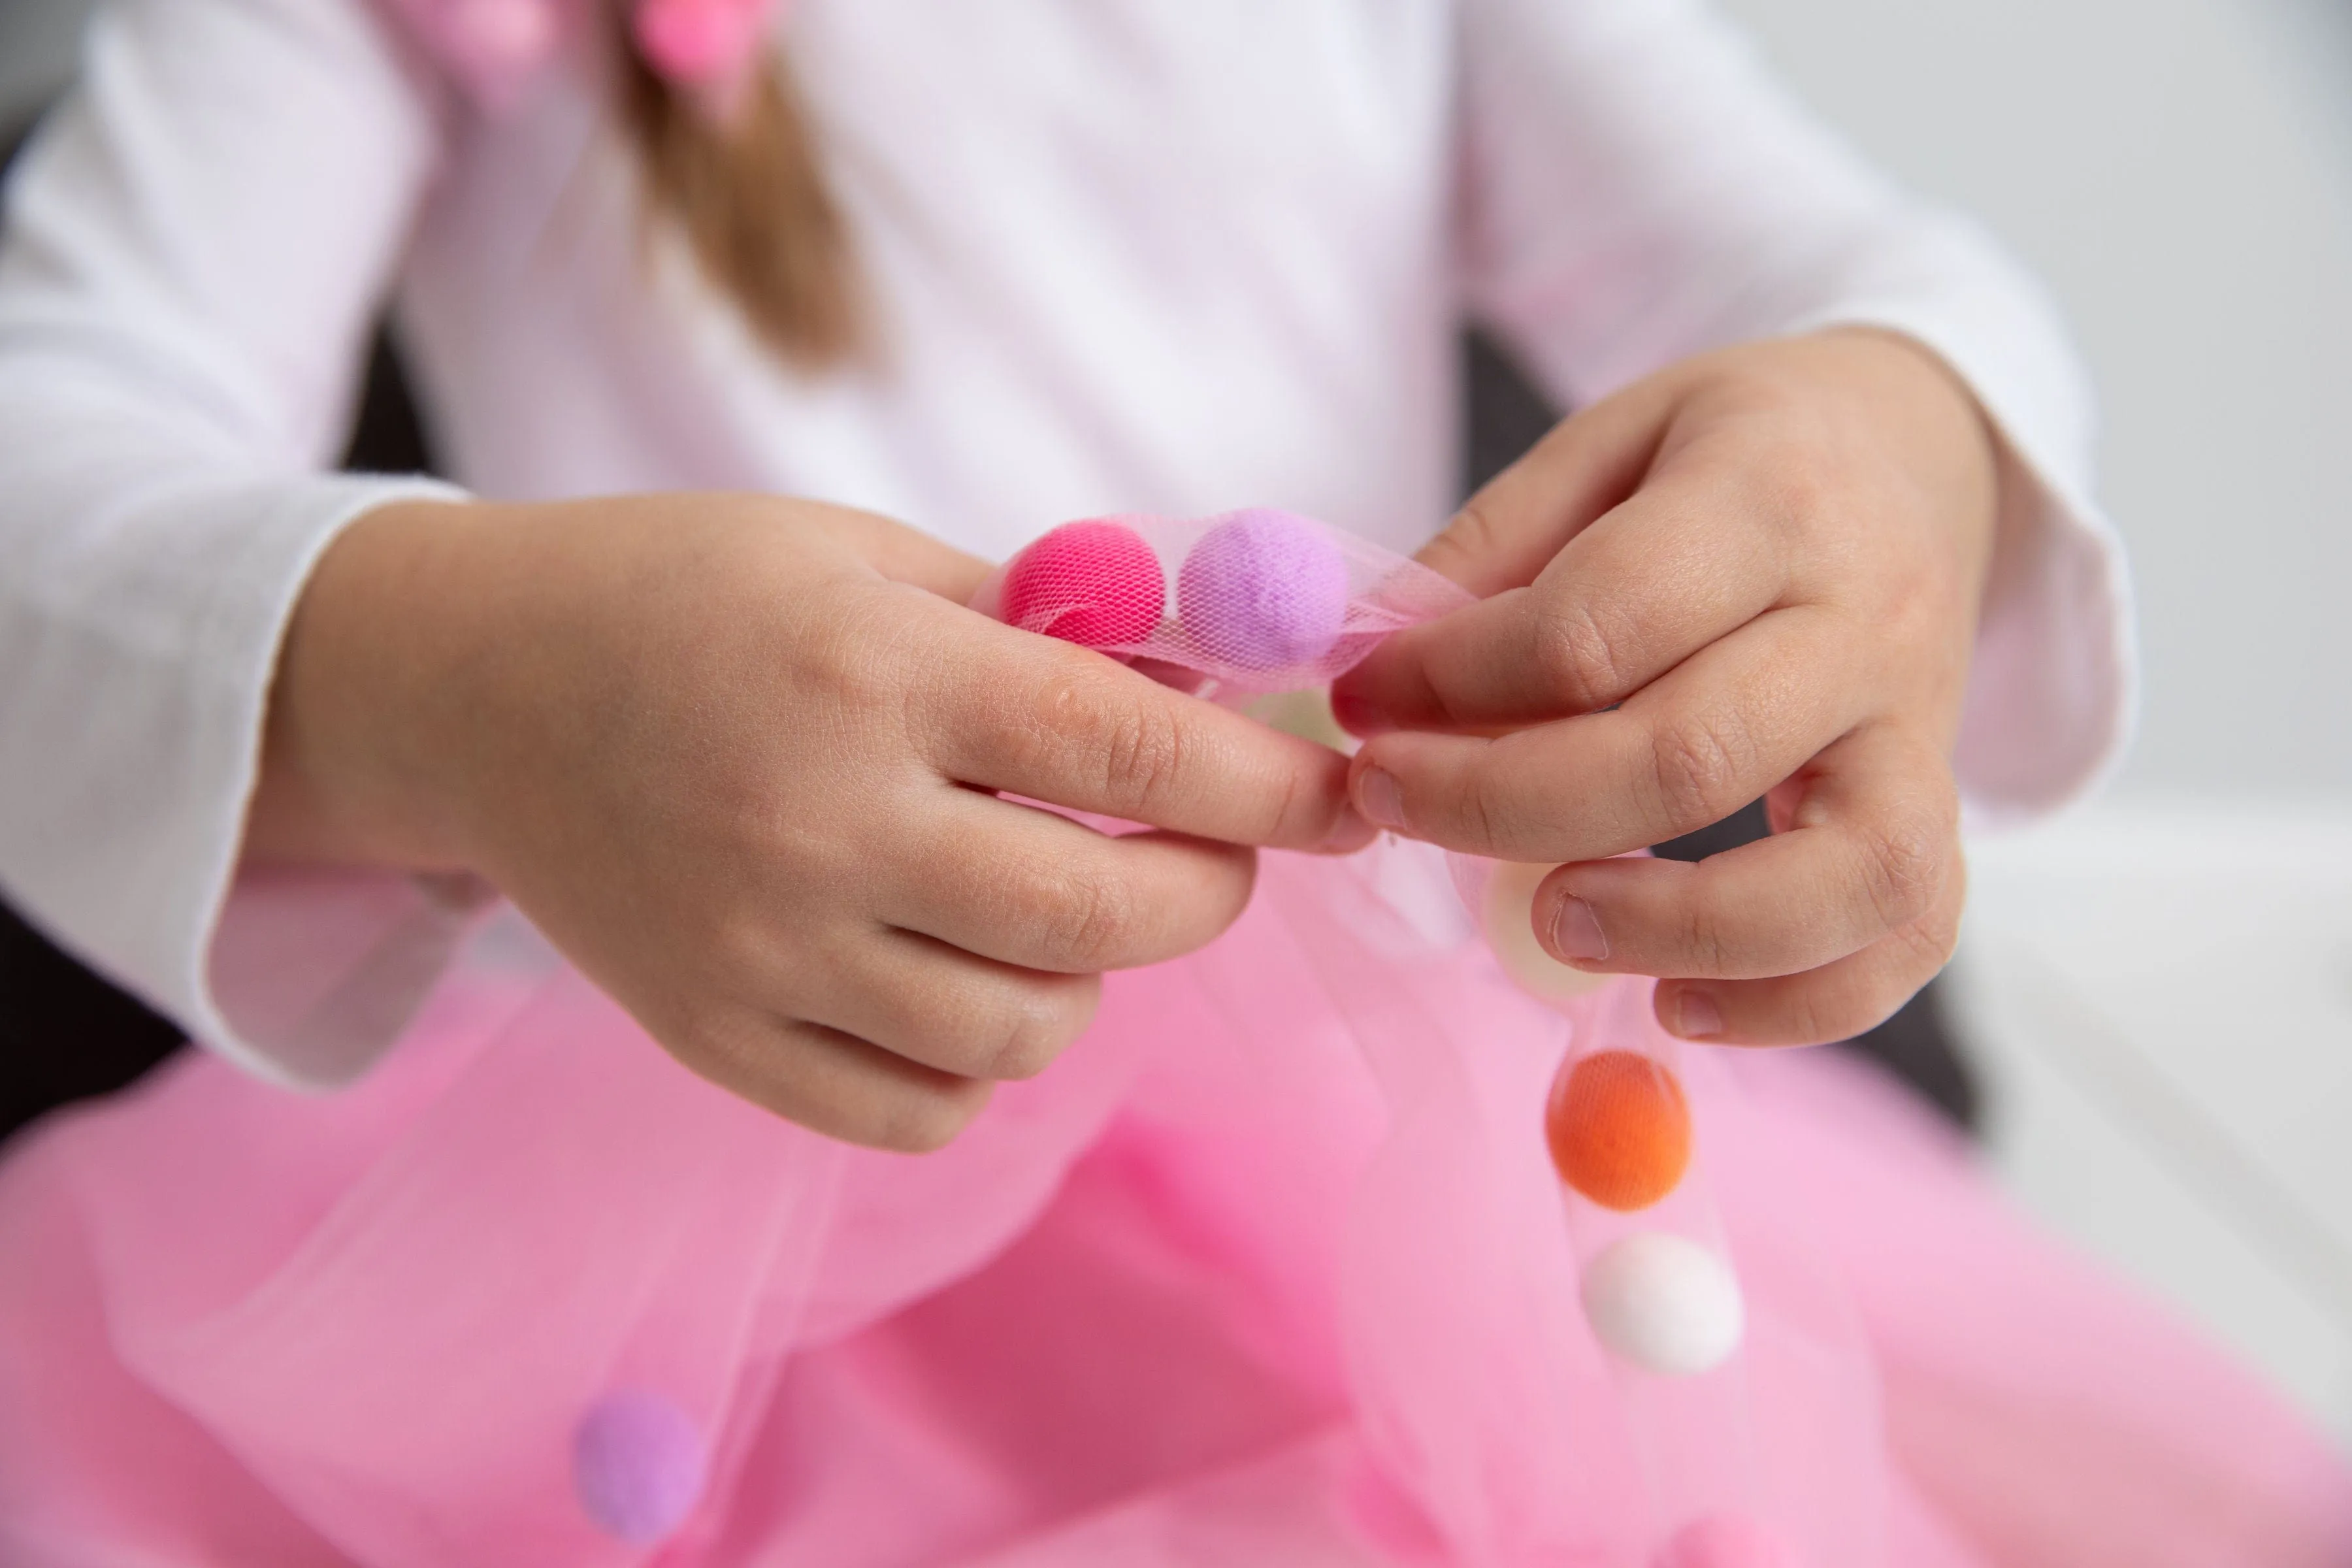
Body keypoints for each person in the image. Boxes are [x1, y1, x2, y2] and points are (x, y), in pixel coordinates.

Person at [0, 1, 2344, 1563]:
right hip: (690, 1197)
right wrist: (471, 691)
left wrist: (1902, 444)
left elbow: (1829, 254)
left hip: (1400, 1143)